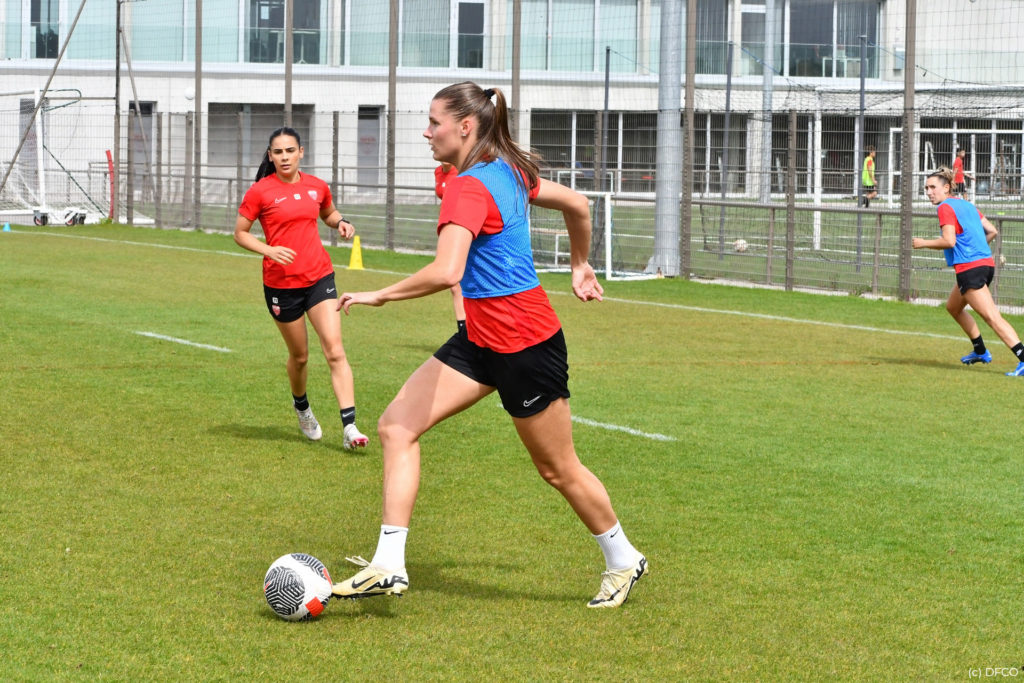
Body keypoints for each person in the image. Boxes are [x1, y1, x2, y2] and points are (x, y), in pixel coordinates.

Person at [331, 82, 647, 608]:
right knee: (396, 427)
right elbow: (577, 203)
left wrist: (380, 294)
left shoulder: (470, 186)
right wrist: (579, 263)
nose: (426, 132)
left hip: (525, 343)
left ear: (465, 126)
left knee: (557, 468)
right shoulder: (506, 171)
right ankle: (388, 564)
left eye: (433, 122)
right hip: (481, 337)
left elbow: (447, 270)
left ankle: (623, 558)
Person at [234, 126, 371, 448]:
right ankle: (302, 408)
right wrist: (268, 250)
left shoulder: (317, 186)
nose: (284, 157)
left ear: (301, 153)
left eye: (290, 151)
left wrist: (341, 222)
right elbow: (240, 233)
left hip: (319, 277)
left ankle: (350, 427)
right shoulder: (260, 192)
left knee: (335, 350)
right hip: (281, 285)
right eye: (278, 152)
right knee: (300, 357)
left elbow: (328, 212)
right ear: (270, 156)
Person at [912, 166, 1024, 376]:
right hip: (985, 265)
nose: (928, 192)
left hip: (970, 269)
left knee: (992, 317)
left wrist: (923, 243)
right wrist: (976, 250)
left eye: (933, 187)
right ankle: (980, 351)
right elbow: (992, 231)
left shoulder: (944, 207)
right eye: (926, 188)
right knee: (953, 307)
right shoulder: (967, 205)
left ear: (946, 188)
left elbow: (949, 241)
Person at [434, 161, 466, 332]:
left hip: (462, 230)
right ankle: (464, 329)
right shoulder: (438, 172)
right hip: (449, 229)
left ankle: (467, 330)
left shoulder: (461, 172)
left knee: (457, 282)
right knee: (455, 284)